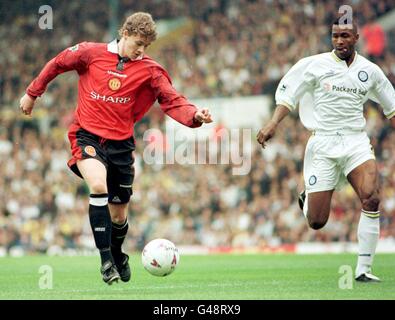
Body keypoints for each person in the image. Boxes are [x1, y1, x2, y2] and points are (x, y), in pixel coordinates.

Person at [19, 12, 213, 285]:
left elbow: (172, 99)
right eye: (137, 43)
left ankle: (118, 253)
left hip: (121, 145)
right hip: (86, 136)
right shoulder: (90, 53)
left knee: (119, 214)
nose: (141, 50)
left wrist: (195, 116)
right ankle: (106, 261)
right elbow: (57, 63)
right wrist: (32, 93)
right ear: (125, 34)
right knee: (98, 186)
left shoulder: (150, 70)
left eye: (146, 46)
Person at [257, 18, 395, 282]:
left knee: (372, 198)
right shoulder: (313, 65)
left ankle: (363, 269)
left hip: (356, 141)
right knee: (317, 222)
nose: (339, 41)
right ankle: (307, 198)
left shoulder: (371, 71)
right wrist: (273, 122)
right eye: (335, 36)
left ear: (356, 38)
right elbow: (289, 95)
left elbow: (392, 108)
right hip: (323, 143)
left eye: (345, 36)